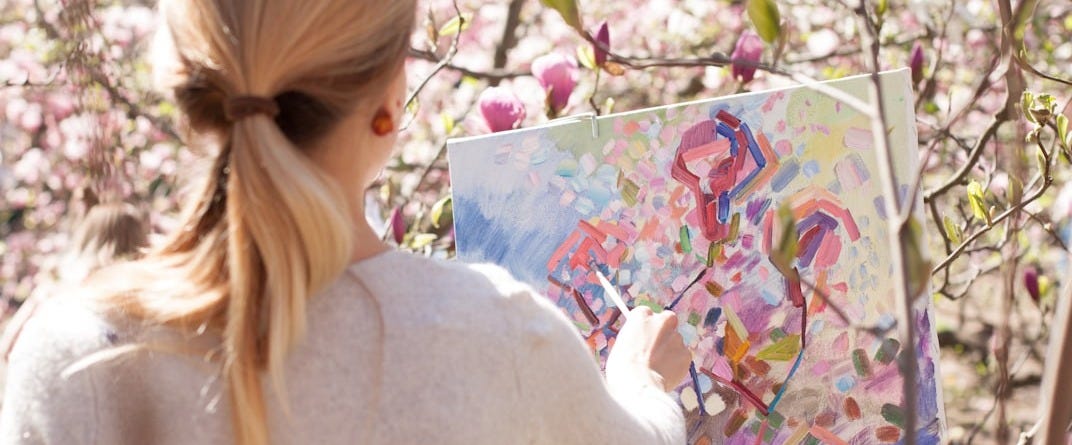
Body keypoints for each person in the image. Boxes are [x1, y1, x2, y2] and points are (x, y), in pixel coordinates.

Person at [0, 1, 692, 444]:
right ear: (389, 102)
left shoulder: (73, 349)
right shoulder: (497, 333)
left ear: (185, 89)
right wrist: (644, 383)